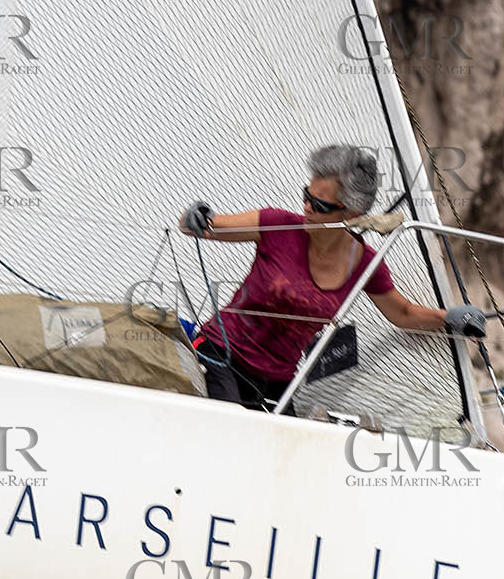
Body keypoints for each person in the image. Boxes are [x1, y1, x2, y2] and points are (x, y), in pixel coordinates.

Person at [179, 143, 485, 412]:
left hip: (278, 377)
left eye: (321, 205)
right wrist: (196, 216)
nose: (307, 208)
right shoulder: (276, 223)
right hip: (222, 353)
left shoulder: (365, 263)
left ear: (351, 213)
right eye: (306, 196)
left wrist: (451, 318)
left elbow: (402, 313)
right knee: (230, 427)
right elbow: (200, 226)